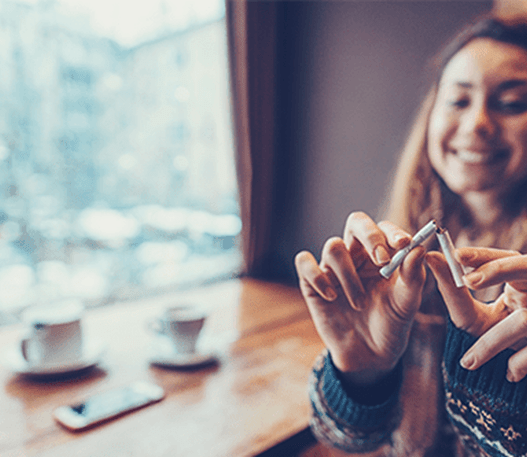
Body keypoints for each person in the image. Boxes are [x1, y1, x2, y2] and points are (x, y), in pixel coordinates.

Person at [294, 15, 527, 457]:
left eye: (513, 102)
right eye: (458, 100)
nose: (477, 122)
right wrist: (361, 373)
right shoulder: (403, 257)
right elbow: (344, 438)